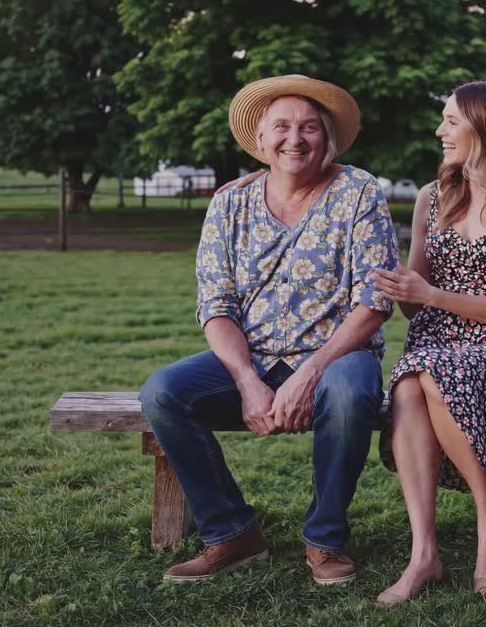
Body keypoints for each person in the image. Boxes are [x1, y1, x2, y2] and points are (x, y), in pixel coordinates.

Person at [139, 75, 399, 586]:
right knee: (164, 392)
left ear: (328, 138)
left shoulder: (359, 192)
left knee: (348, 394)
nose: (294, 139)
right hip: (252, 356)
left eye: (309, 128)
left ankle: (324, 539)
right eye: (281, 127)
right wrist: (246, 380)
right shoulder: (229, 204)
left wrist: (310, 372)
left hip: (338, 356)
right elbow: (216, 305)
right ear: (260, 139)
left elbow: (375, 301)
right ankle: (231, 532)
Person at [368, 79, 486, 607]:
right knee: (409, 383)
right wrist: (400, 287)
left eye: (451, 121)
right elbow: (414, 305)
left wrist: (431, 294)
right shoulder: (432, 198)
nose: (440, 131)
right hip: (435, 341)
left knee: (429, 373)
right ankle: (423, 552)